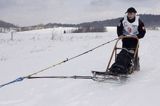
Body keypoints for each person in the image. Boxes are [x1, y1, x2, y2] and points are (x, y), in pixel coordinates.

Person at [109, 7, 146, 75]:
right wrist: (120, 35)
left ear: (135, 14)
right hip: (125, 39)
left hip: (134, 39)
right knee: (124, 51)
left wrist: (137, 36)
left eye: (131, 13)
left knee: (133, 53)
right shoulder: (123, 20)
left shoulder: (139, 22)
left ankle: (135, 66)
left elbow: (143, 32)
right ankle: (119, 67)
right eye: (128, 13)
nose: (129, 15)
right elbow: (119, 28)